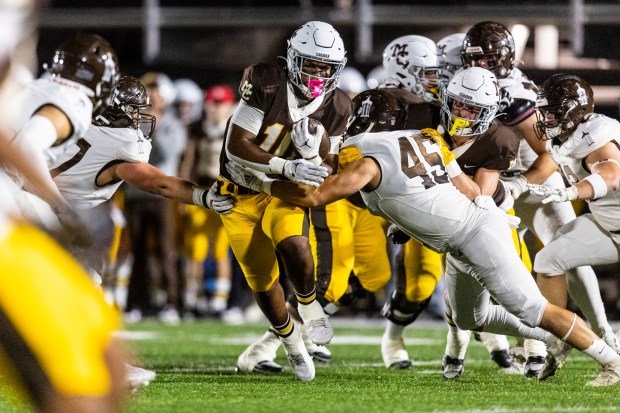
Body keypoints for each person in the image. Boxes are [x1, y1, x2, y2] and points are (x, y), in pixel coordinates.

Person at [226, 88, 620, 387]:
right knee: (472, 316)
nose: (350, 132)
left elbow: (316, 195)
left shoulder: (368, 160)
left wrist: (263, 181)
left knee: (535, 309)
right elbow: (462, 187)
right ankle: (558, 335)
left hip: (474, 233)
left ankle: (610, 360)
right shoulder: (428, 138)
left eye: (356, 125)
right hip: (469, 231)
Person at [462, 21, 618, 377]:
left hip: (537, 182)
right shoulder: (471, 85)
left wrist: (525, 186)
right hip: (501, 180)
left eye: (487, 59)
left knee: (567, 256)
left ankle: (603, 334)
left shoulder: (516, 94)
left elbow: (548, 152)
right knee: (509, 259)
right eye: (474, 59)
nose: (479, 66)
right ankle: (536, 343)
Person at [0, 8, 131, 411]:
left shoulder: (31, 83)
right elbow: (28, 144)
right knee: (92, 382)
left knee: (109, 366)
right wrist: (62, 211)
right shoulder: (71, 100)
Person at [217, 20, 351, 381]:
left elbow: (328, 167)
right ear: (293, 60)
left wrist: (315, 153)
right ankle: (290, 344)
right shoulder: (267, 82)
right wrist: (287, 164)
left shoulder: (338, 105)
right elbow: (236, 146)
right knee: (262, 281)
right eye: (312, 64)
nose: (318, 74)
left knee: (295, 244)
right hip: (242, 189)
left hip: (280, 191)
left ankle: (307, 304)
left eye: (326, 67)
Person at [524, 74, 620, 382]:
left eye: (553, 111)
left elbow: (611, 174)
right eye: (545, 110)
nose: (546, 117)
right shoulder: (569, 136)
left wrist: (570, 192)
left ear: (574, 111)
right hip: (606, 222)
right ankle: (560, 335)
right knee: (549, 258)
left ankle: (613, 362)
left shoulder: (596, 137)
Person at [377, 34, 446, 370]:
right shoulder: (379, 104)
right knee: (417, 284)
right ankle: (392, 338)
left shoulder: (436, 108)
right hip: (385, 202)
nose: (436, 80)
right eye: (428, 72)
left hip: (436, 198)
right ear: (404, 70)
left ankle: (501, 343)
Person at [124, 72, 187, 324]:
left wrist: (150, 128)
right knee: (137, 250)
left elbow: (164, 154)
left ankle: (171, 302)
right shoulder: (131, 121)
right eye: (149, 90)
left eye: (156, 91)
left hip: (162, 193)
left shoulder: (173, 124)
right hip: (135, 192)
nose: (152, 96)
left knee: (165, 249)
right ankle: (138, 302)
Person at [179, 84, 238, 317]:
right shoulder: (197, 129)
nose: (215, 109)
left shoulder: (235, 129)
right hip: (202, 191)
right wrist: (184, 196)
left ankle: (220, 302)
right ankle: (193, 298)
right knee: (197, 249)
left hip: (226, 193)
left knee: (222, 249)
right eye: (212, 104)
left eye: (220, 104)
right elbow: (188, 163)